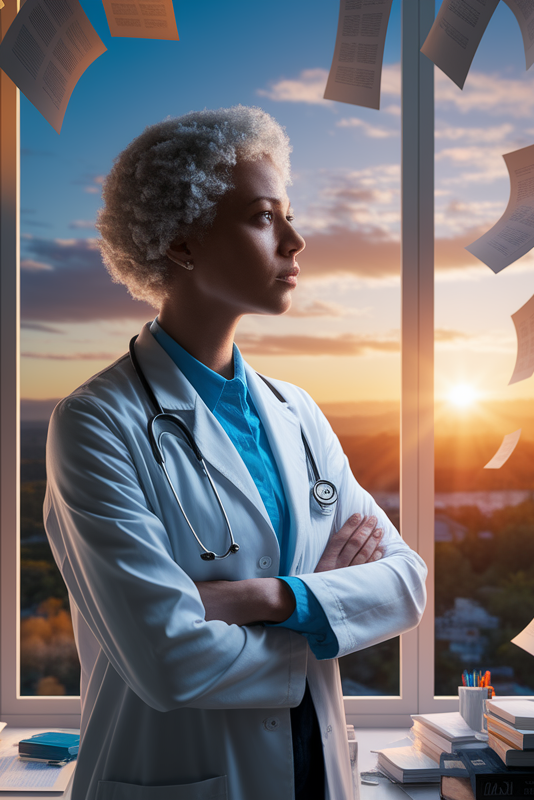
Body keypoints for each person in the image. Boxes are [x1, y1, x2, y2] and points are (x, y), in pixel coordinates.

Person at [43, 105, 427, 800]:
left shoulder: (297, 413)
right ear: (183, 244)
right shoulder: (97, 422)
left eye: (287, 216)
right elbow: (171, 661)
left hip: (316, 770)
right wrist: (323, 611)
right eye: (263, 217)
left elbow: (405, 586)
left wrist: (261, 597)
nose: (296, 240)